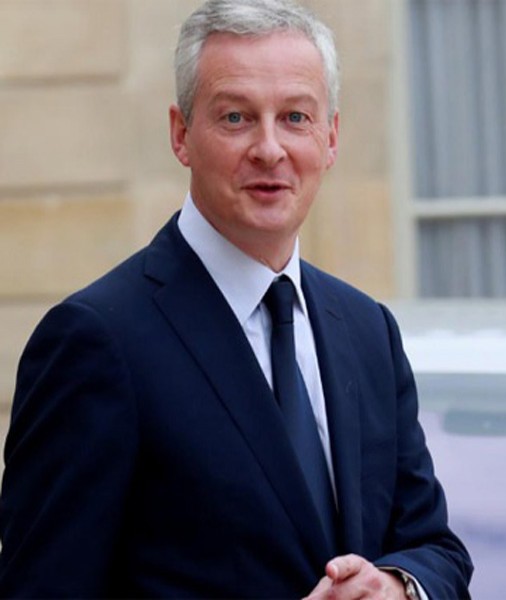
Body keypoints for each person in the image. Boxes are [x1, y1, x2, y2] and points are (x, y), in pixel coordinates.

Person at [0, 0, 472, 597]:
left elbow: (436, 548)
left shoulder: (366, 328)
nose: (270, 149)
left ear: (331, 137)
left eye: (295, 117)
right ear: (181, 134)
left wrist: (399, 588)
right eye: (236, 118)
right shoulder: (96, 340)